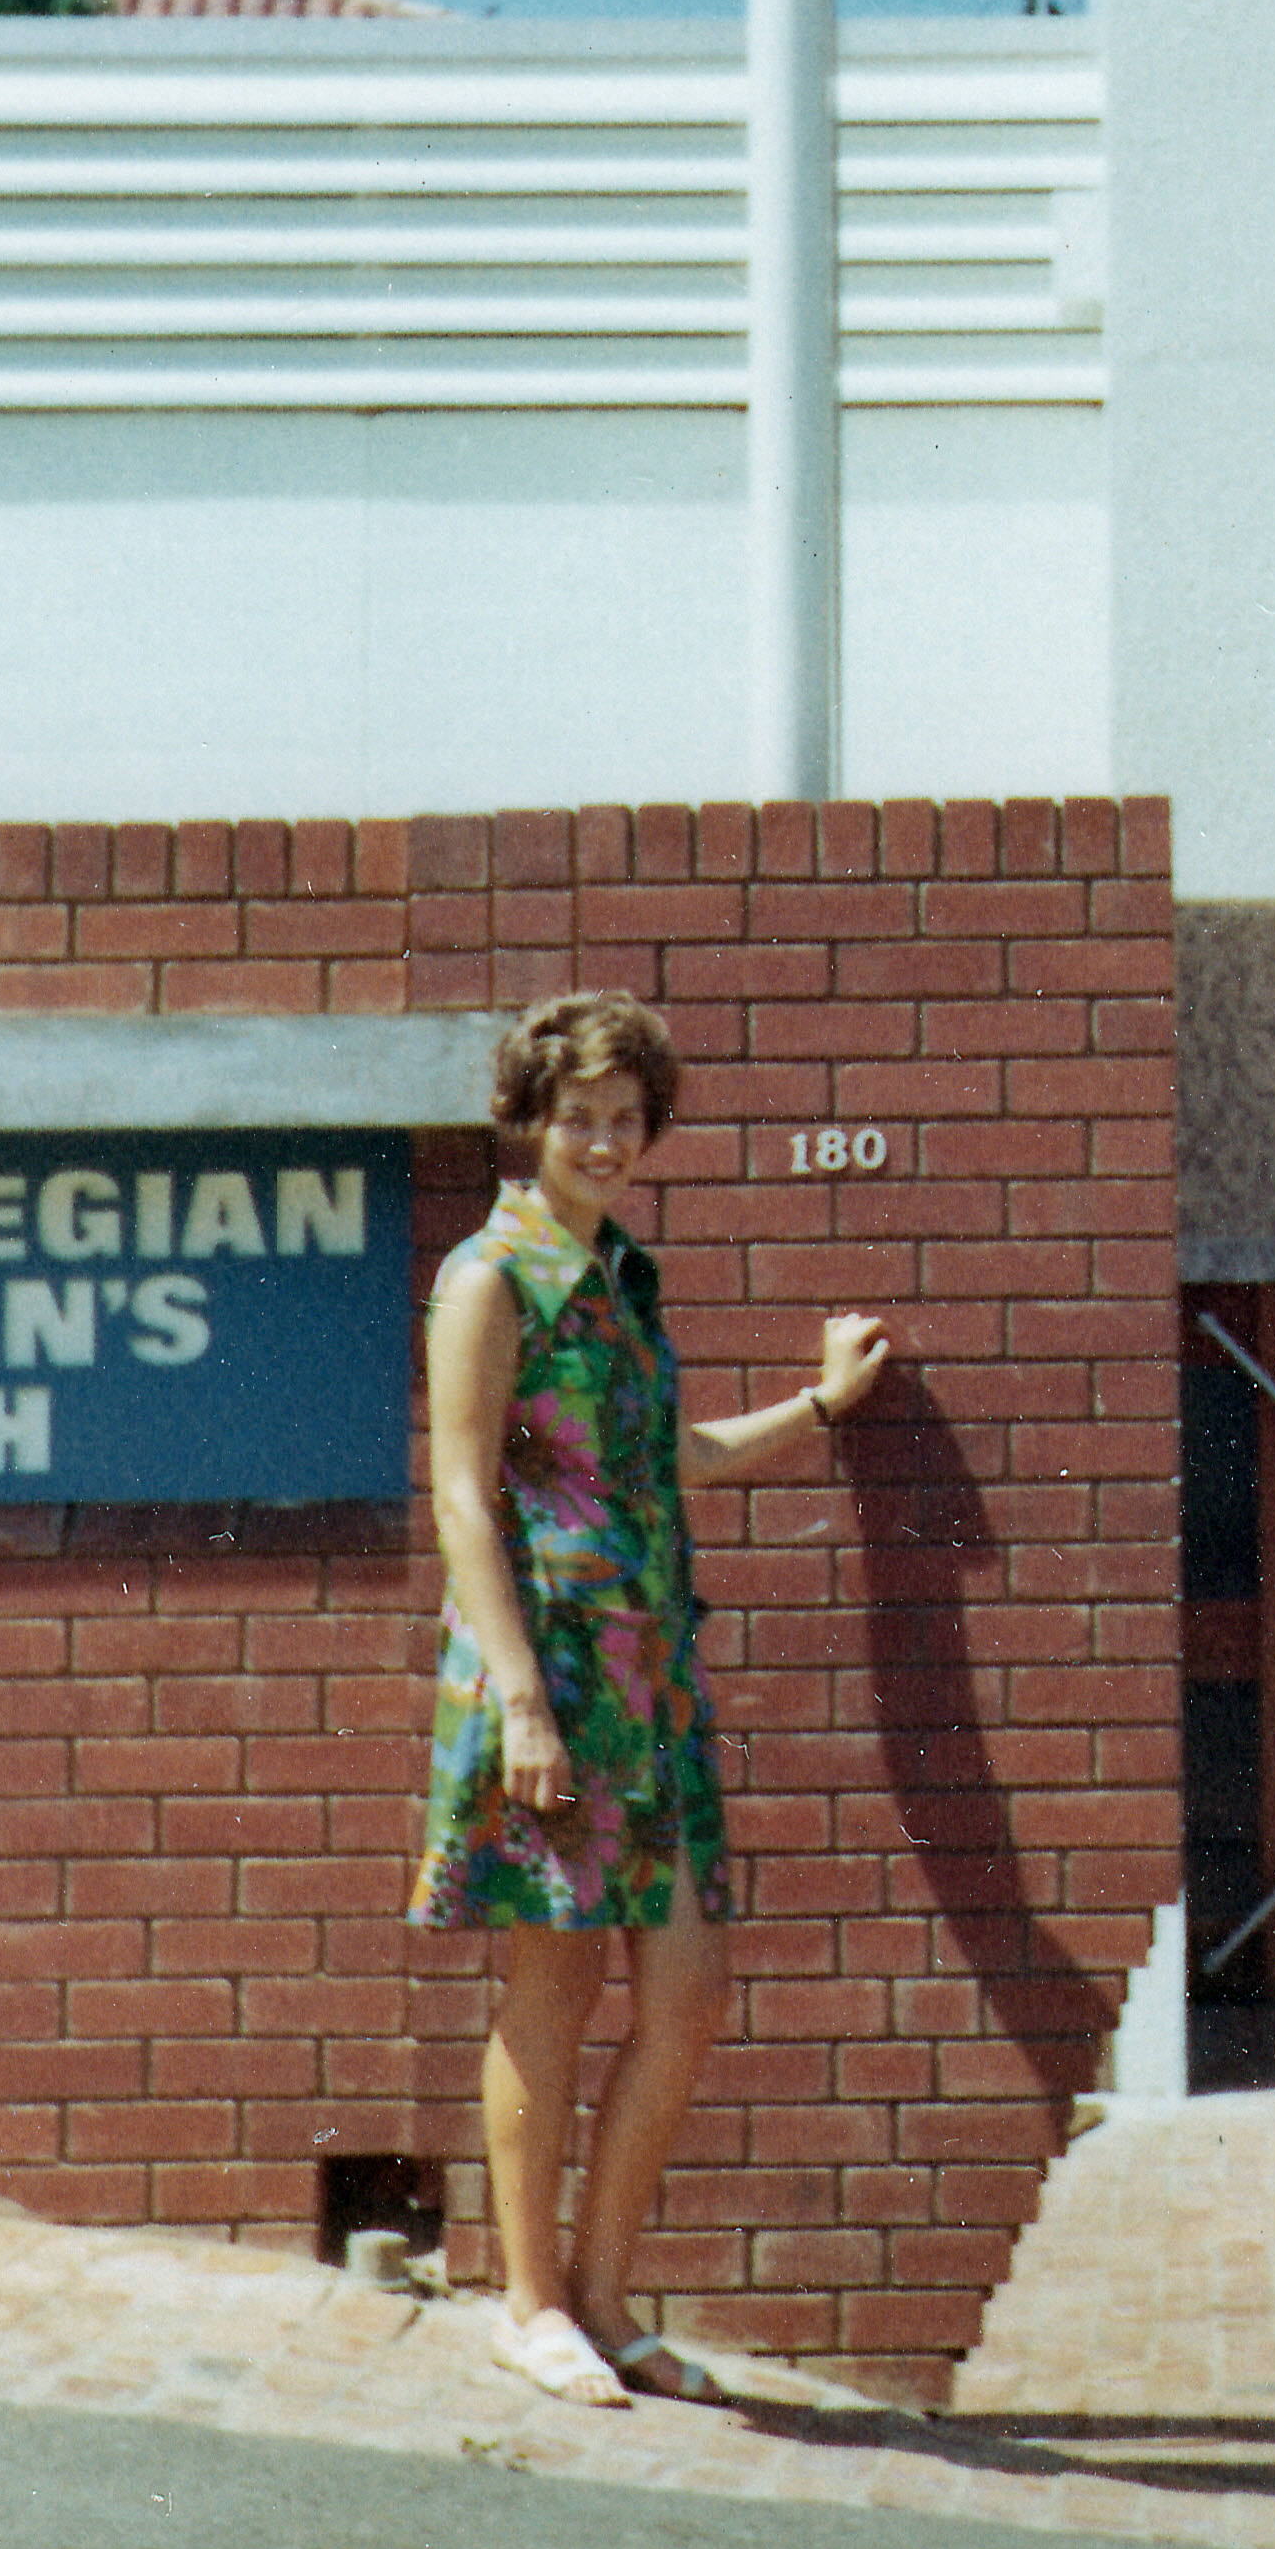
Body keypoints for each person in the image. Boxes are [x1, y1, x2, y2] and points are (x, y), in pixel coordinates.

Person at [412, 988, 888, 2406]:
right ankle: (531, 2304)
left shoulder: (619, 1274)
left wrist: (821, 1406)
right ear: (533, 1120)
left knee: (686, 1995)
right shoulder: (490, 1278)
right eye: (581, 1118)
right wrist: (522, 1702)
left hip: (654, 1684)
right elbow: (458, 1490)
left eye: (627, 1119)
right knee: (551, 1982)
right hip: (548, 1666)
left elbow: (675, 1455)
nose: (605, 1142)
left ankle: (607, 2301)